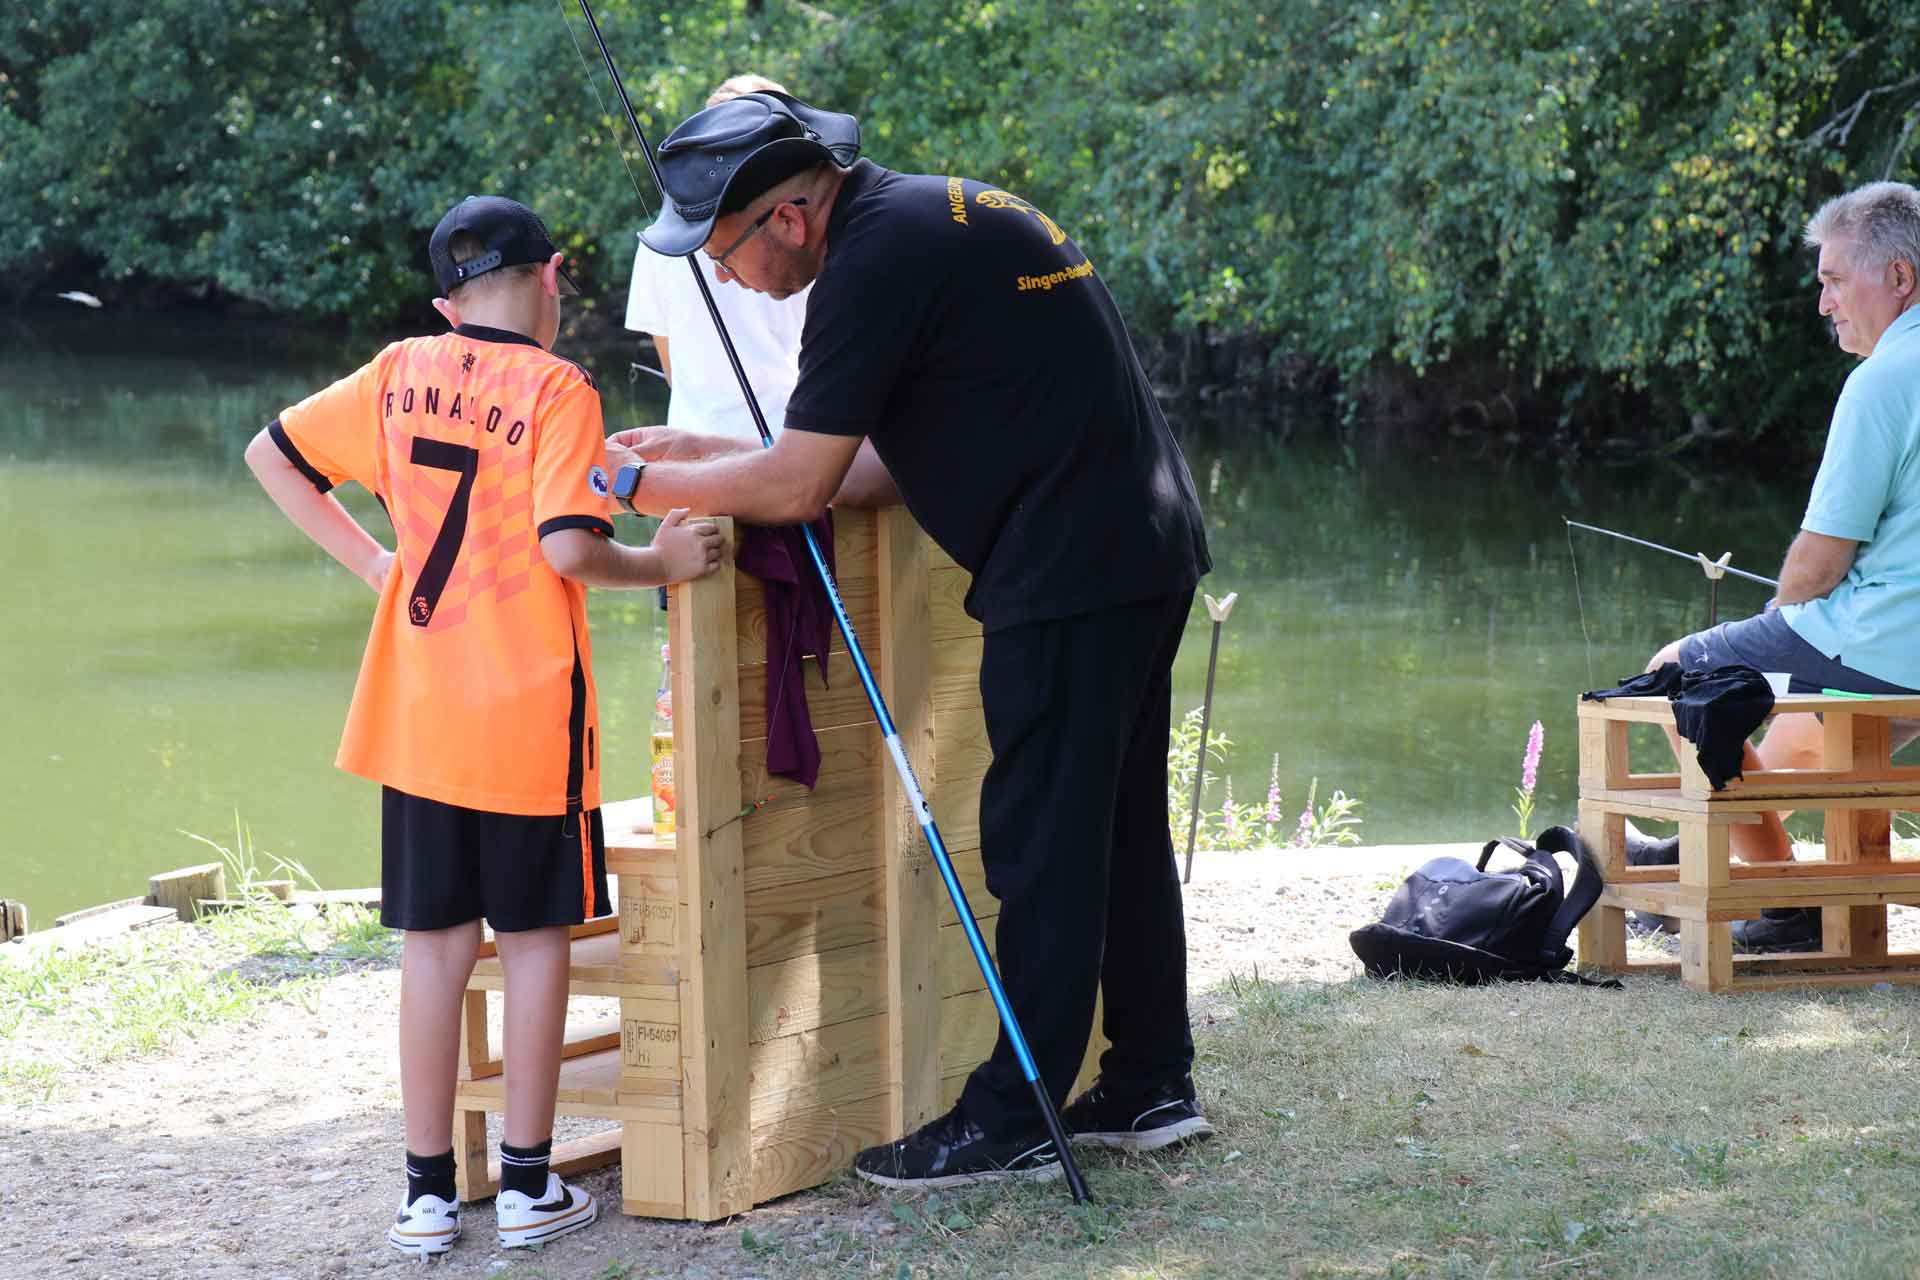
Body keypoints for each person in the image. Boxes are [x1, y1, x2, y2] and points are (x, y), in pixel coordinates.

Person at [609, 90, 1216, 1187]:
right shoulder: (928, 217)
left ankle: (1015, 1113)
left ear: (788, 218)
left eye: (723, 251)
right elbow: (867, 465)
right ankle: (1149, 1078)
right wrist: (701, 447)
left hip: (1070, 566)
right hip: (1142, 541)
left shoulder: (869, 268)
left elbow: (798, 486)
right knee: (1114, 819)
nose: (724, 277)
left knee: (1039, 837)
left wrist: (641, 482)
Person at [244, 195, 723, 1254]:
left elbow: (271, 454)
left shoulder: (398, 367)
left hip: (419, 710)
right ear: (552, 278)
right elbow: (569, 546)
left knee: (437, 941)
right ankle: (524, 1186)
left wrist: (375, 562)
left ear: (443, 301)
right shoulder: (559, 387)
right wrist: (658, 561)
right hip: (525, 714)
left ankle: (423, 1194)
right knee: (538, 934)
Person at [1639, 180, 1920, 953]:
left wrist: (1775, 622)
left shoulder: (1883, 382)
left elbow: (1820, 561)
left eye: (1834, 280)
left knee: (1681, 676)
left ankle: (1789, 906)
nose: (1824, 302)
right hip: (1898, 658)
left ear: (1898, 278)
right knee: (1795, 720)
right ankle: (1716, 850)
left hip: (1888, 650)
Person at [624, 74, 809, 443]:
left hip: (691, 450)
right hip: (791, 442)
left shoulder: (658, 241)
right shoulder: (802, 231)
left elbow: (670, 363)